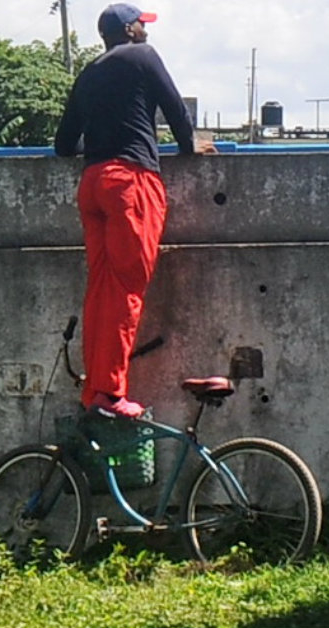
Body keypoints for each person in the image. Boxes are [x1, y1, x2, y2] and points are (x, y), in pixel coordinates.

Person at [54, 3, 214, 418]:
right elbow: (175, 110)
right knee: (126, 291)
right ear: (130, 29)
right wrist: (188, 147)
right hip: (130, 183)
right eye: (142, 24)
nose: (146, 30)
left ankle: (95, 391)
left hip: (93, 185)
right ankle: (110, 393)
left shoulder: (88, 73)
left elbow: (63, 144)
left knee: (101, 290)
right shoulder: (143, 56)